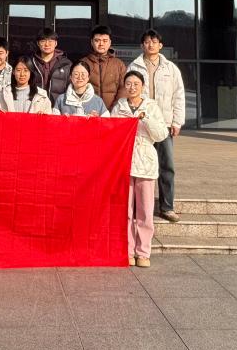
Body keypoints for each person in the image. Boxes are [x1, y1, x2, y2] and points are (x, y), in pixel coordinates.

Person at [129, 29, 186, 224]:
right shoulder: (134, 66)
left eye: (154, 41)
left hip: (163, 124)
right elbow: (128, 93)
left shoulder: (170, 68)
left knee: (166, 166)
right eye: (147, 42)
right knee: (138, 166)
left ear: (160, 45)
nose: (150, 45)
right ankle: (137, 208)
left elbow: (179, 96)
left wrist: (177, 122)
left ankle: (167, 207)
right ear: (141, 45)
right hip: (141, 124)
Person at [112, 70, 168, 268]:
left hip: (145, 161)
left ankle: (143, 252)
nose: (132, 87)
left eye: (136, 84)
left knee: (145, 210)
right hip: (124, 162)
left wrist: (146, 118)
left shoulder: (151, 106)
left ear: (142, 86)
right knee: (125, 211)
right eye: (128, 84)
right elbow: (111, 130)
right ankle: (127, 250)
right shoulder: (119, 106)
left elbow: (161, 134)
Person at [80, 25, 127, 110]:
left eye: (105, 41)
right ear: (91, 42)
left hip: (113, 112)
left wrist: (114, 110)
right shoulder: (83, 63)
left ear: (110, 42)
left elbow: (123, 89)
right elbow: (78, 87)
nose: (101, 44)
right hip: (89, 112)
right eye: (97, 40)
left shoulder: (118, 64)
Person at [32, 28, 72, 106]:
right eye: (43, 41)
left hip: (58, 107)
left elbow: (70, 89)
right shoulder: (31, 62)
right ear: (38, 43)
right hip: (35, 107)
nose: (47, 44)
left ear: (56, 43)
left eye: (50, 41)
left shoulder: (66, 64)